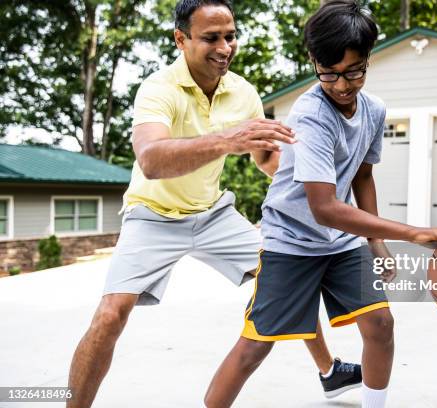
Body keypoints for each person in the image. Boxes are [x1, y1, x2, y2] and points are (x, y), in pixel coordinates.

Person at [66, 1, 362, 407]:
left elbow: (265, 158)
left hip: (214, 214)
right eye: (211, 38)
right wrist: (228, 139)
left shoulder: (242, 92)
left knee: (285, 275)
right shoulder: (158, 89)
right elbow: (151, 160)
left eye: (230, 36)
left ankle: (330, 372)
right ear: (181, 39)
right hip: (152, 215)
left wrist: (316, 191)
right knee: (110, 314)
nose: (224, 47)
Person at [203, 1, 437, 407]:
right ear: (314, 62)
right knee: (255, 347)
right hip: (291, 242)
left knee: (380, 324)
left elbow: (362, 175)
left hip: (342, 242)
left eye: (353, 72)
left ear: (368, 60)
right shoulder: (311, 115)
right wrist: (412, 232)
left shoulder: (374, 109)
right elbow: (325, 207)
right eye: (329, 74)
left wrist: (375, 242)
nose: (341, 85)